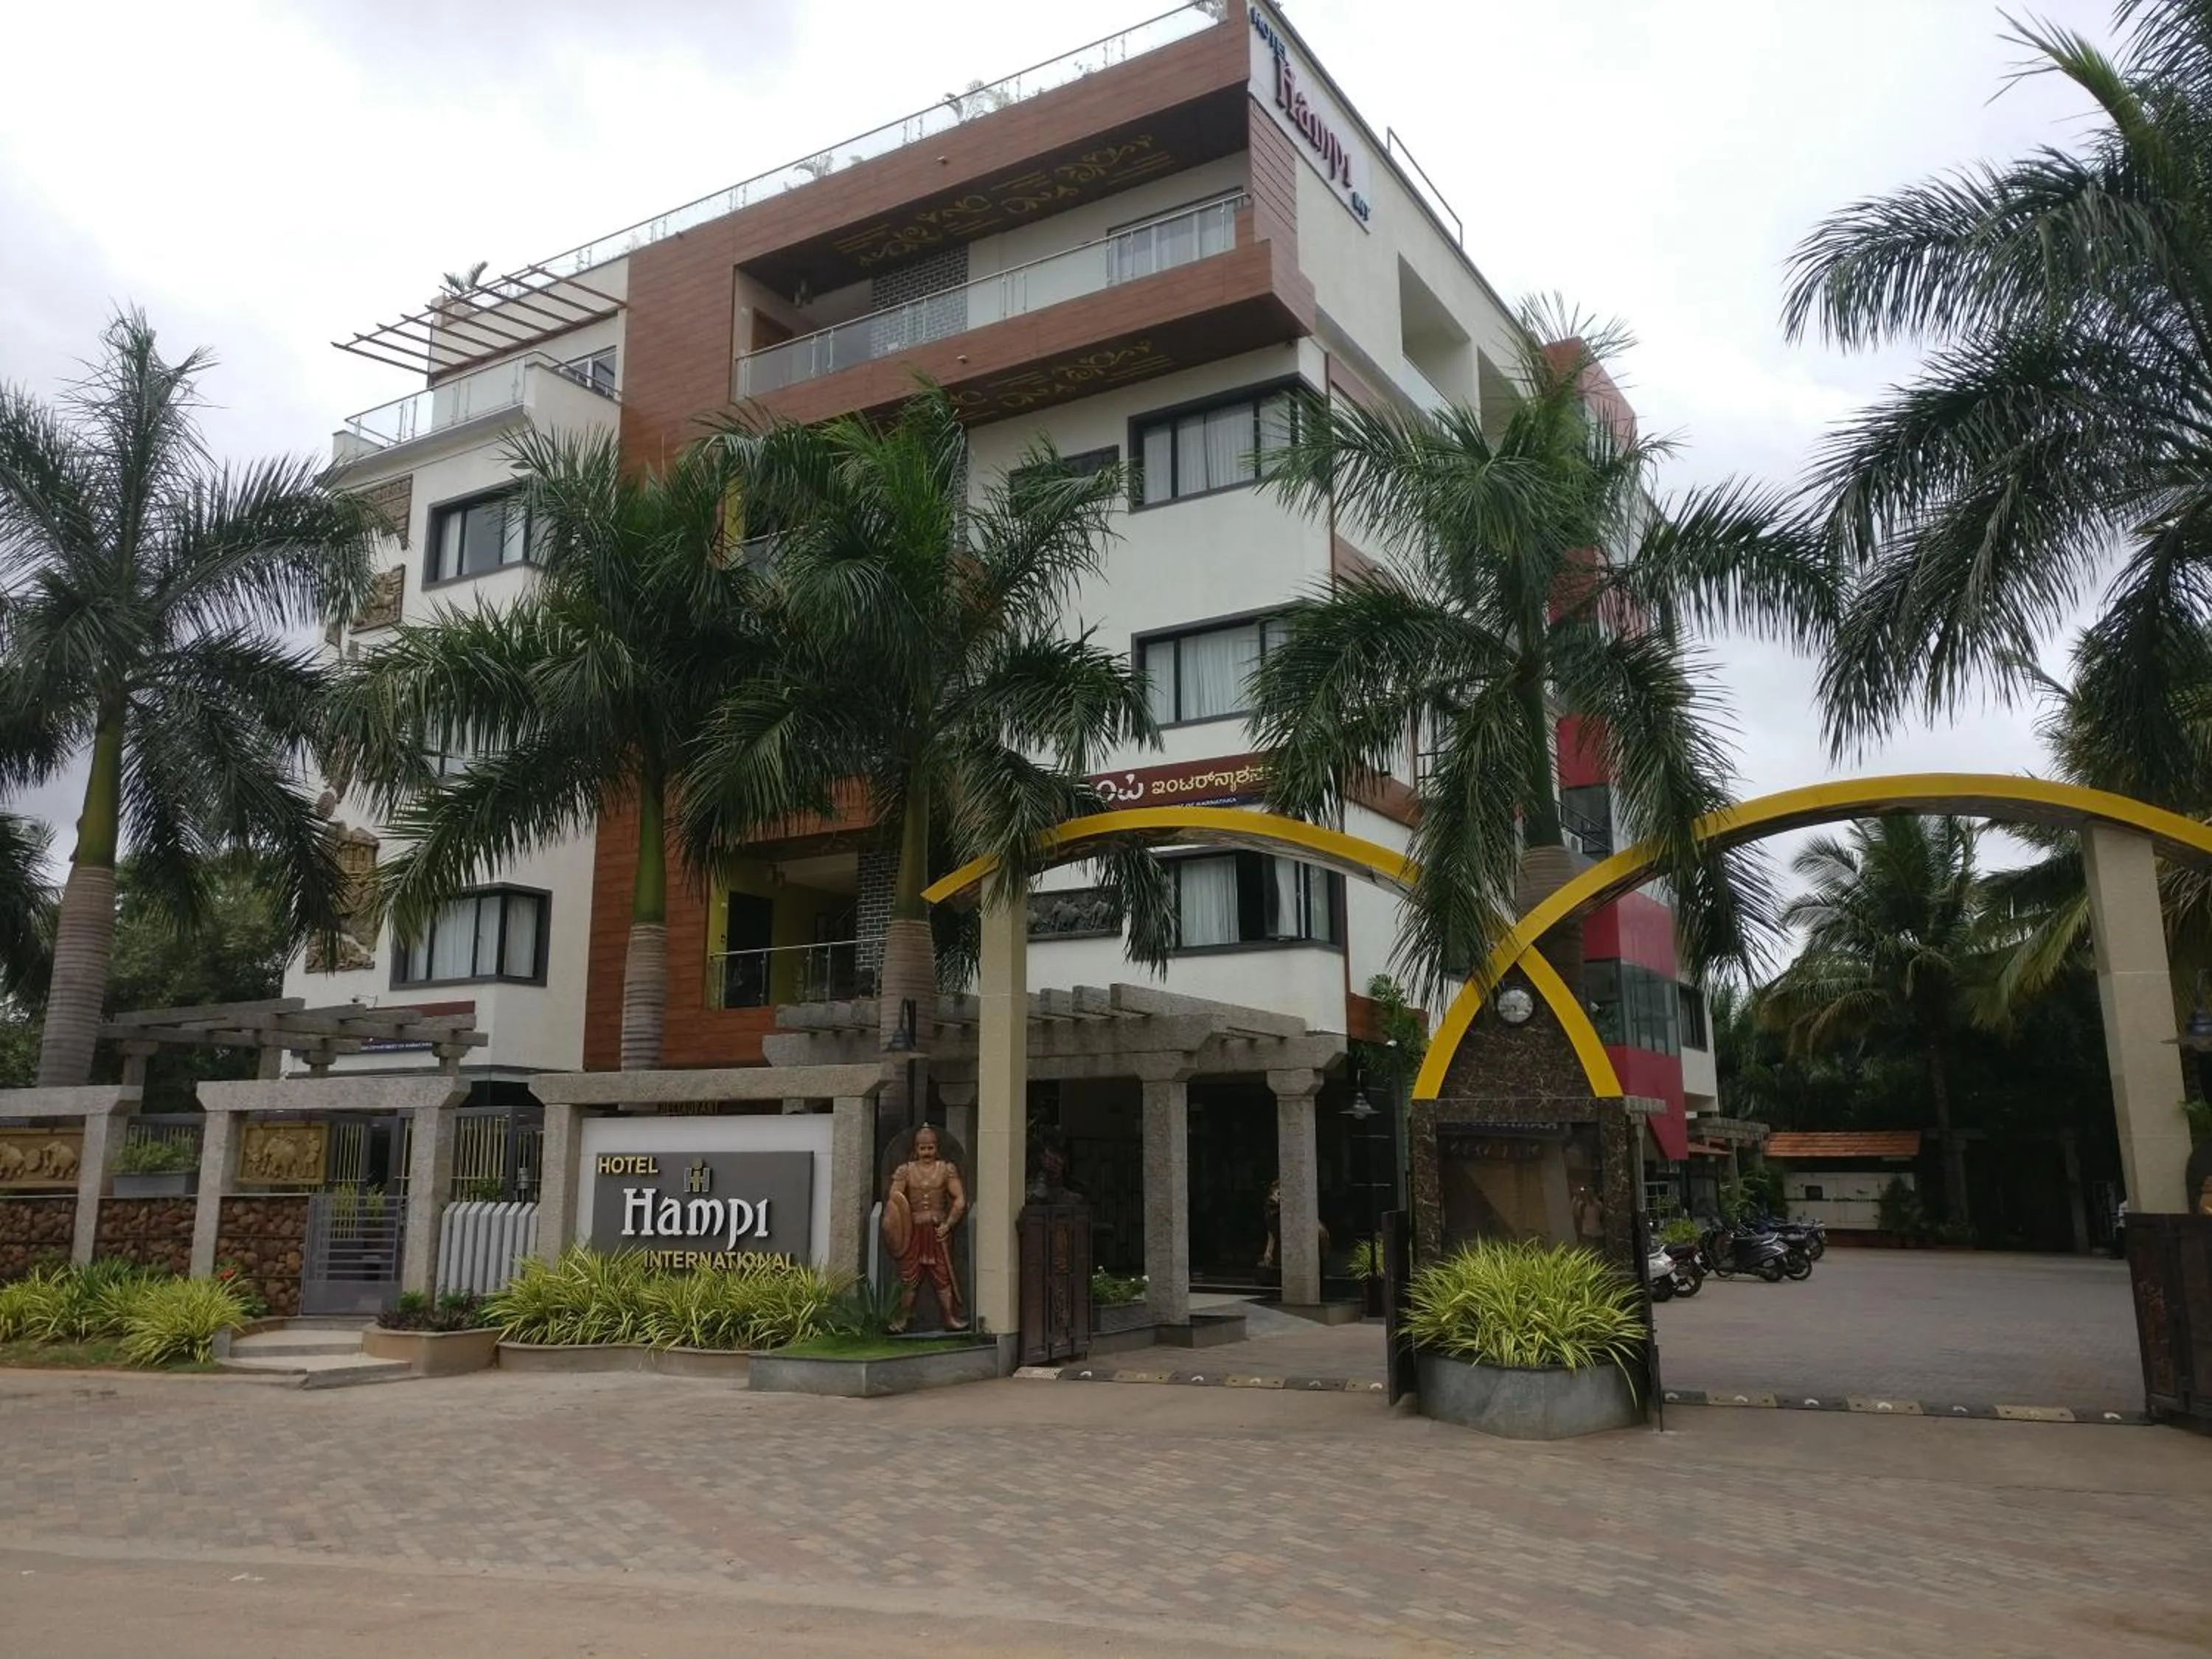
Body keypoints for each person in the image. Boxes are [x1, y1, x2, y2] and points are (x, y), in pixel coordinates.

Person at [883, 1125, 968, 1333]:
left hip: (938, 1231)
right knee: (909, 1277)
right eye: (923, 1148)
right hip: (912, 1232)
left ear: (937, 1148)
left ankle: (949, 1317)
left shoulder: (947, 1169)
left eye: (930, 1148)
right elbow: (895, 1201)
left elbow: (960, 1199)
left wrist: (948, 1225)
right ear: (916, 1149)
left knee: (942, 1275)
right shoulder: (905, 1171)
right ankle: (903, 1318)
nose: (927, 1152)